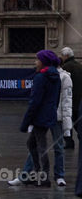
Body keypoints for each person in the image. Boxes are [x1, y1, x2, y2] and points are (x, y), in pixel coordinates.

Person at [20, 50, 62, 188]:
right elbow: (56, 99)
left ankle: (43, 176)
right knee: (32, 144)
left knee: (40, 146)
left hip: (39, 116)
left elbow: (35, 101)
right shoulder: (56, 75)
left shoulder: (40, 77)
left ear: (43, 61)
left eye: (37, 59)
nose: (35, 62)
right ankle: (37, 173)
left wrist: (26, 122)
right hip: (49, 113)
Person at [60, 47, 82, 150]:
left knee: (67, 121)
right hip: (79, 98)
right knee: (77, 121)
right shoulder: (79, 66)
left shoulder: (66, 67)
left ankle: (69, 142)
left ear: (66, 56)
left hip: (70, 98)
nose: (61, 57)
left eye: (62, 55)